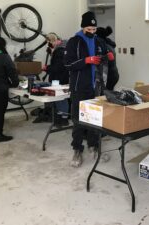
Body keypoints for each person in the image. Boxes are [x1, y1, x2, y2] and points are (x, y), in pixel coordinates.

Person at [64, 11, 114, 167]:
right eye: (89, 29)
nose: (92, 32)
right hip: (80, 87)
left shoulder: (99, 41)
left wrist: (109, 57)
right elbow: (68, 64)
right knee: (78, 120)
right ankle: (77, 149)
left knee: (94, 119)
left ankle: (93, 146)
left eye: (94, 29)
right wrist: (86, 60)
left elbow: (103, 58)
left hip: (96, 87)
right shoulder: (74, 42)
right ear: (83, 27)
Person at [43, 33, 70, 127]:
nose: (49, 45)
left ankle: (64, 119)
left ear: (53, 40)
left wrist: (46, 68)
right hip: (62, 77)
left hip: (58, 78)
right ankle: (61, 117)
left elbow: (58, 67)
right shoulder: (63, 49)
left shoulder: (59, 51)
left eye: (49, 42)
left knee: (61, 98)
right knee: (59, 98)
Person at [96, 26, 119, 90]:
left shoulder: (102, 46)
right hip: (114, 74)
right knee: (109, 93)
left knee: (105, 95)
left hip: (108, 75)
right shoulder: (109, 44)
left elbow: (100, 60)